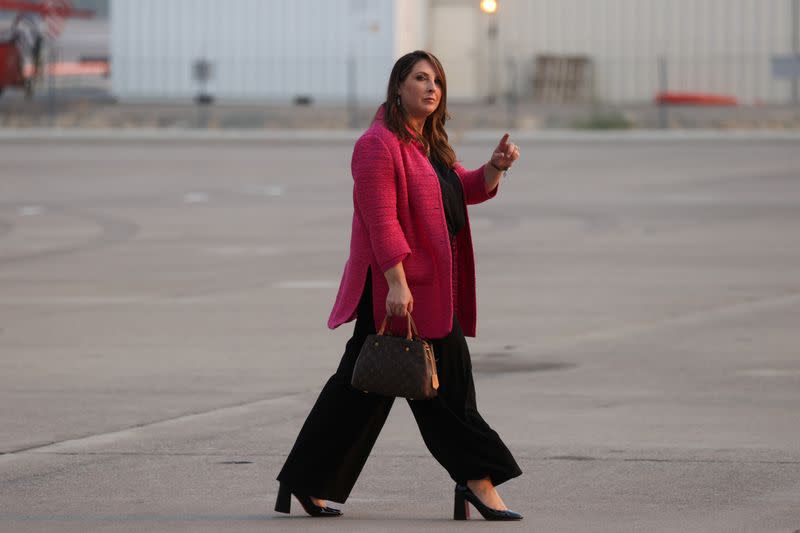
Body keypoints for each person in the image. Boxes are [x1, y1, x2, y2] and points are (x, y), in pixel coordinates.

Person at [275, 50, 522, 521]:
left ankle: (303, 481)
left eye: (438, 82)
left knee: (360, 391)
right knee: (446, 388)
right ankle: (477, 480)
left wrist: (496, 167)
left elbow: (462, 190)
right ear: (398, 87)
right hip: (398, 290)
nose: (432, 89)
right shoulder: (377, 144)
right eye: (421, 78)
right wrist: (396, 283)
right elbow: (380, 220)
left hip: (429, 288)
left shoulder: (426, 145)